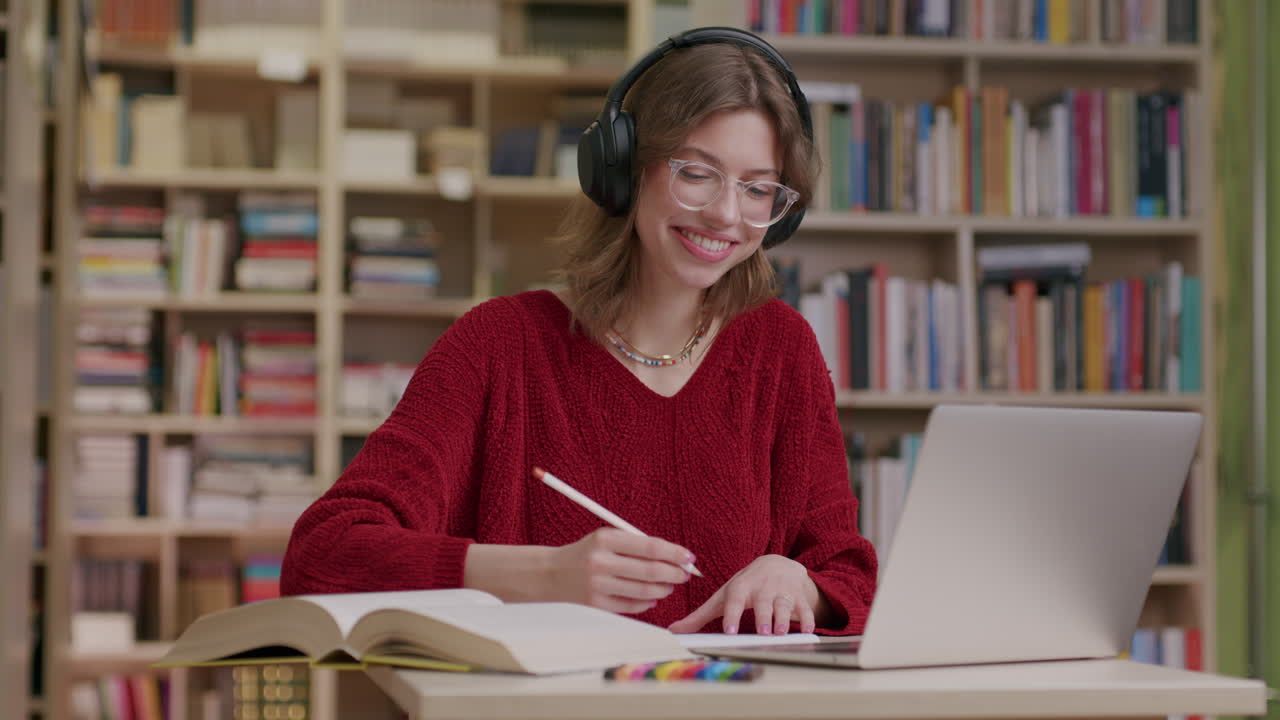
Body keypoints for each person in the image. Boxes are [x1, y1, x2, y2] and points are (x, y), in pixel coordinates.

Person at [280, 27, 877, 637]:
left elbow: (849, 576)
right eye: (697, 174)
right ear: (622, 169)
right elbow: (321, 557)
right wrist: (539, 576)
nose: (726, 214)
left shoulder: (782, 349)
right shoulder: (499, 346)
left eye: (756, 188)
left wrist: (797, 579)